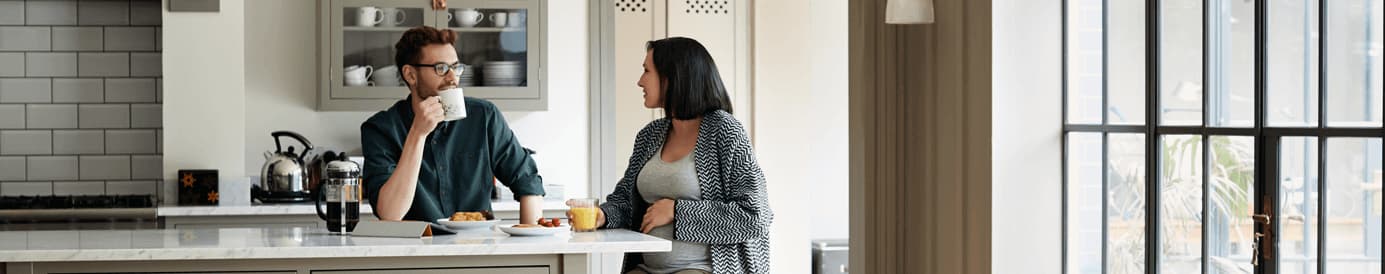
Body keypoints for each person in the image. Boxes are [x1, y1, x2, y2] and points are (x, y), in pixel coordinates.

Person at [571, 37, 773, 274]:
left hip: (705, 268)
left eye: (647, 71)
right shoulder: (650, 135)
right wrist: (603, 215)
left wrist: (677, 211)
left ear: (672, 78)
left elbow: (755, 215)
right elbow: (626, 201)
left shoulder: (725, 131)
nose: (639, 81)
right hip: (647, 268)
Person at [361, 26, 544, 224]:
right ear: (410, 75)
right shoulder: (380, 129)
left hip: (478, 246)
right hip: (415, 249)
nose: (452, 78)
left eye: (456, 67)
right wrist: (418, 133)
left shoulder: (483, 116)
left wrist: (529, 237)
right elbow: (390, 214)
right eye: (441, 68)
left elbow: (528, 181)